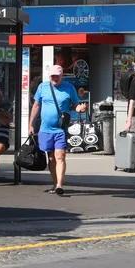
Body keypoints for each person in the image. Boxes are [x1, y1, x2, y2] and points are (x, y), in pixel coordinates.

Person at [29, 65, 87, 196]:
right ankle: (55, 184)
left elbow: (75, 105)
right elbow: (36, 106)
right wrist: (31, 124)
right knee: (51, 159)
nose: (54, 78)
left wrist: (80, 109)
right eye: (52, 75)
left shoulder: (69, 88)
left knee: (60, 156)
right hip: (45, 129)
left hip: (60, 129)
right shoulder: (42, 87)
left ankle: (60, 185)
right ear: (49, 76)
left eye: (57, 75)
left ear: (61, 75)